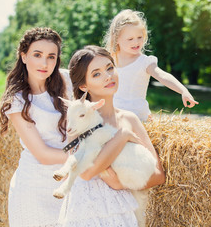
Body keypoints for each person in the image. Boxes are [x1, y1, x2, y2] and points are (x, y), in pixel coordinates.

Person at [58, 45, 165, 226]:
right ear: (84, 85)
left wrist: (120, 184)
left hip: (119, 210)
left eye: (110, 68)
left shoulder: (129, 119)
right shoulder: (78, 121)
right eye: (97, 74)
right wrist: (122, 136)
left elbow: (158, 175)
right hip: (84, 212)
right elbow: (85, 172)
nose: (108, 76)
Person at [0, 27, 71, 226]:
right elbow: (42, 154)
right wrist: (82, 157)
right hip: (33, 189)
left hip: (68, 185)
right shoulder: (17, 101)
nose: (44, 63)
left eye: (51, 57)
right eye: (37, 55)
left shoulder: (66, 82)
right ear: (23, 56)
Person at [104, 9, 199, 121]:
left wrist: (183, 90)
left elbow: (163, 76)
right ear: (117, 39)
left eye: (139, 37)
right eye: (130, 39)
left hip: (136, 117)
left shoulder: (144, 62)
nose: (136, 42)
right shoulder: (108, 60)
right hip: (112, 114)